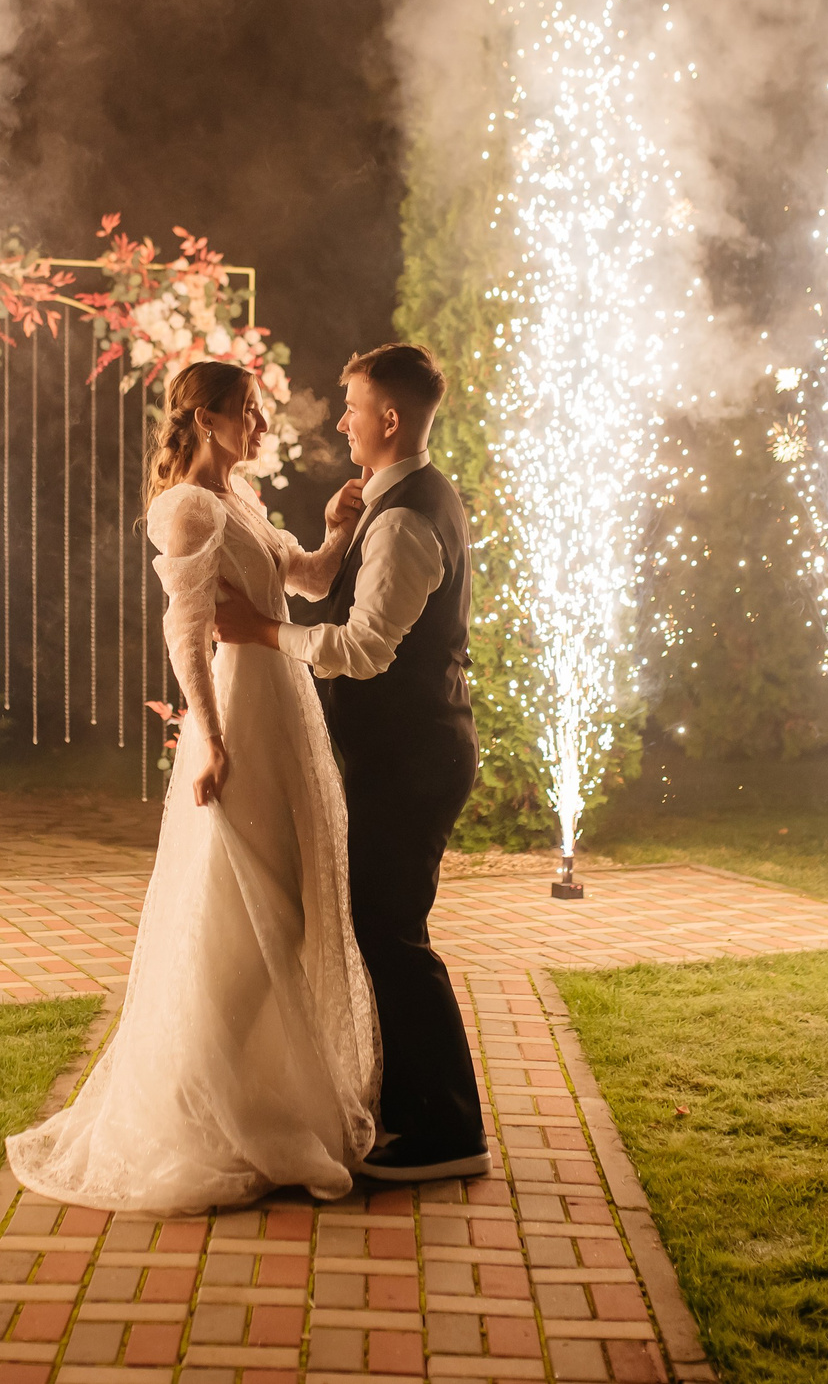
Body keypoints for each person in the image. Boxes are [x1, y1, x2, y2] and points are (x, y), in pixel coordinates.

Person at [5, 359, 380, 1212]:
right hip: (242, 714)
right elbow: (185, 632)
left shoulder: (241, 501)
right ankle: (201, 1100)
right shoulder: (186, 508)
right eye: (248, 413)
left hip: (286, 706)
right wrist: (208, 739)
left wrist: (334, 526)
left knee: (282, 915)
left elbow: (312, 583)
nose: (261, 427)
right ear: (206, 420)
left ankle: (239, 1089)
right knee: (254, 912)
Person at [215, 341, 487, 1182]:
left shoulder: (407, 518)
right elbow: (337, 593)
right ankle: (418, 1110)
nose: (343, 420)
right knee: (383, 927)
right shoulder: (391, 501)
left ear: (391, 419)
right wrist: (339, 530)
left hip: (413, 758)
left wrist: (260, 633)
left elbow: (363, 648)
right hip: (400, 754)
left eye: (354, 406)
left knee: (391, 932)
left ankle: (449, 1132)